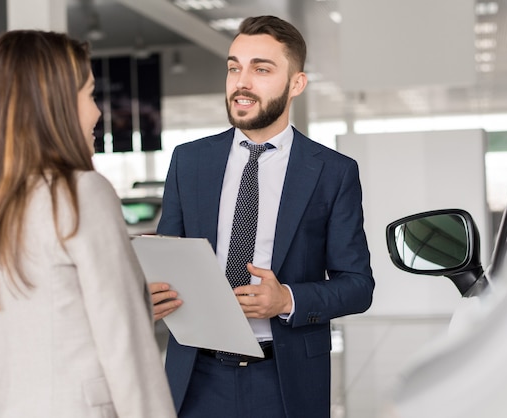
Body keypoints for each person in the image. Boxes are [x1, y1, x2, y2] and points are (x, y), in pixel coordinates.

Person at [151, 15, 375, 418]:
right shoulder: (189, 162)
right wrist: (150, 295)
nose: (242, 82)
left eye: (261, 69)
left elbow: (358, 286)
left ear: (296, 84)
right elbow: (167, 263)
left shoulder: (332, 171)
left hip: (284, 380)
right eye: (234, 67)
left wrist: (286, 298)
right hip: (196, 378)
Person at [0, 30, 176, 418]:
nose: (98, 112)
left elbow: (10, 338)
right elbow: (126, 349)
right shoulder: (82, 193)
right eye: (89, 94)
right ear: (55, 103)